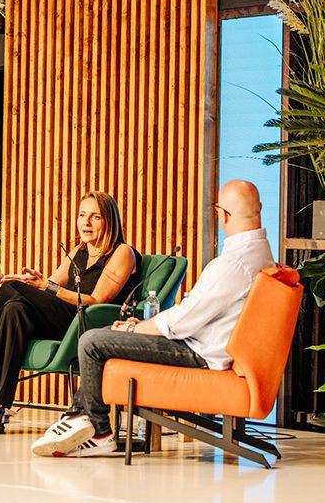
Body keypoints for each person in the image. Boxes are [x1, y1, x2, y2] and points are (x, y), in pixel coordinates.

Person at [32, 179, 274, 457]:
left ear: (223, 215)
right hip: (206, 345)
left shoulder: (232, 264)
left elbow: (183, 320)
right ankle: (78, 417)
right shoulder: (260, 255)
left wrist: (136, 329)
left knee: (92, 341)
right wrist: (136, 326)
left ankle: (96, 430)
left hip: (198, 351)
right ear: (259, 209)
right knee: (107, 333)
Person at [0, 191, 140, 435]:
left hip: (89, 324)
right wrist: (3, 276)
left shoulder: (122, 252)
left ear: (110, 221)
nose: (86, 222)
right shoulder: (79, 251)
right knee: (14, 310)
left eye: (95, 217)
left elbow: (96, 300)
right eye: (82, 215)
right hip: (66, 318)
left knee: (12, 293)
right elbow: (44, 284)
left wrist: (46, 287)